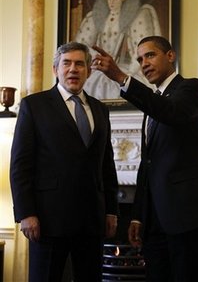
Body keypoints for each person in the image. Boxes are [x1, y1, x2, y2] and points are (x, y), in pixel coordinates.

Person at [89, 36, 198, 282]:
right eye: (139, 59)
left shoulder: (190, 88)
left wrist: (120, 77)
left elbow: (172, 112)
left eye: (150, 55)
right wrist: (138, 214)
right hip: (154, 221)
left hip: (186, 215)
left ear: (170, 56)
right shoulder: (153, 103)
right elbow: (147, 165)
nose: (144, 63)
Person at [10, 41, 119, 282]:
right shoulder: (34, 106)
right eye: (66, 63)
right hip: (48, 220)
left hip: (92, 221)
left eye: (80, 64)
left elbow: (106, 164)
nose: (73, 69)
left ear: (89, 71)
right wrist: (26, 213)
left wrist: (112, 209)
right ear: (55, 69)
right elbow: (20, 165)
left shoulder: (101, 110)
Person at [76, 0, 161, 99]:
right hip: (100, 70)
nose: (112, 2)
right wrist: (97, 60)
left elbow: (139, 49)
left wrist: (131, 72)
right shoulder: (96, 18)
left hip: (123, 69)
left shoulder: (136, 17)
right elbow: (82, 44)